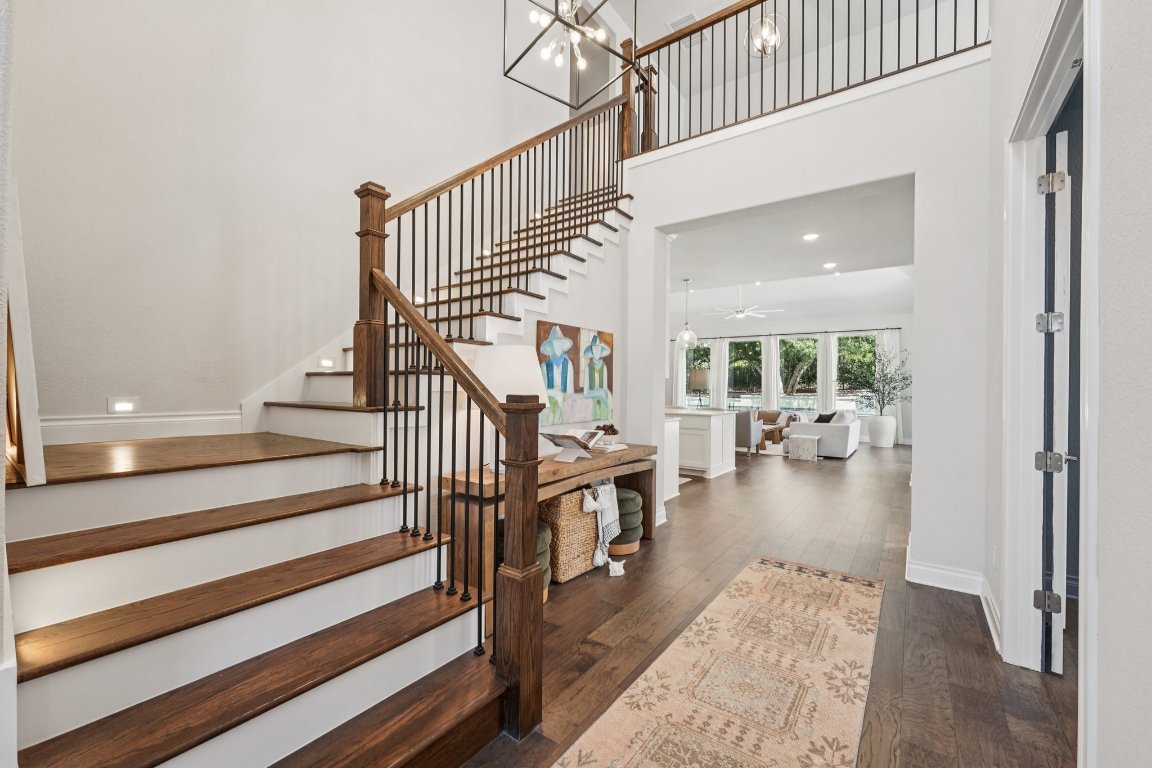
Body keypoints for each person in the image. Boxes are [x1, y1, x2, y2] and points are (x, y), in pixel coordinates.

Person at [539, 325, 575, 424]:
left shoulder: (568, 365)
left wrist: (563, 398)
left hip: (565, 404)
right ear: (551, 346)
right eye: (555, 343)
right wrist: (556, 395)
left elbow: (570, 390)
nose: (557, 346)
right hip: (550, 406)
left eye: (559, 343)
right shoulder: (544, 367)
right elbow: (543, 392)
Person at [581, 332, 612, 421]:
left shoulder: (604, 368)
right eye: (594, 349)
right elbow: (586, 393)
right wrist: (599, 393)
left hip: (603, 405)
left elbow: (605, 390)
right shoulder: (588, 368)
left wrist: (603, 393)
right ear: (591, 351)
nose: (596, 352)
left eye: (598, 349)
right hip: (592, 403)